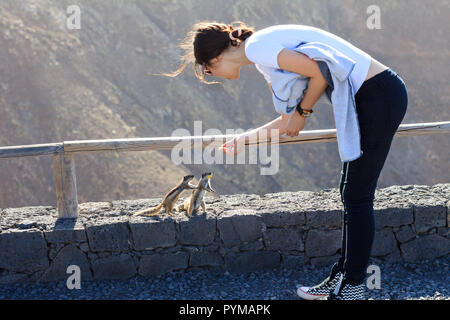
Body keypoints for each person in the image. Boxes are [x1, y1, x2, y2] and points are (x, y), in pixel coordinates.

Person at [162, 21, 408, 300]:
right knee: (350, 193)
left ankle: (352, 285)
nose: (210, 74)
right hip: (371, 96)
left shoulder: (258, 47)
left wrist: (304, 112)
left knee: (357, 196)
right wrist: (242, 141)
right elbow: (286, 121)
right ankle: (342, 277)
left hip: (379, 94)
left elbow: (319, 74)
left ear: (215, 58)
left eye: (207, 70)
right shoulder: (263, 58)